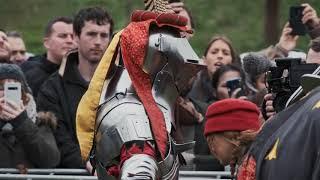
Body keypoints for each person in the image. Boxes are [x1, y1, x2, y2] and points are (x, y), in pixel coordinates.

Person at [37, 7, 113, 169]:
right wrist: (88, 164)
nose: (98, 41)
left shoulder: (121, 83)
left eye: (104, 35)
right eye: (91, 34)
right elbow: (59, 139)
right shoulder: (52, 88)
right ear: (76, 37)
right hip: (72, 173)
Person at [0, 63, 60, 169]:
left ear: (24, 94)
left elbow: (51, 160)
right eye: (1, 87)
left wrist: (21, 121)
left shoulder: (40, 122)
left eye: (13, 88)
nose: (6, 93)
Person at [204, 98, 261, 179]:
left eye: (212, 140)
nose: (212, 149)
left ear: (234, 137)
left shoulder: (253, 168)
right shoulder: (254, 162)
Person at [20, 16, 75, 97]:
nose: (70, 41)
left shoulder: (83, 73)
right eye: (63, 36)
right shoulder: (30, 75)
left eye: (73, 37)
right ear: (47, 43)